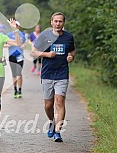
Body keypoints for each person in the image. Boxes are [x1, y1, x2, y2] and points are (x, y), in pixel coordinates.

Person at [32, 12, 76, 142]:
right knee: (48, 105)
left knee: (59, 102)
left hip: (62, 74)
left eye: (60, 21)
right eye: (55, 21)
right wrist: (46, 55)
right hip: (47, 74)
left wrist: (71, 56)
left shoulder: (68, 37)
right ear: (51, 22)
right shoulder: (44, 36)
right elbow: (34, 52)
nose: (58, 23)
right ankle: (51, 121)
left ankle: (58, 131)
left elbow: (72, 50)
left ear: (63, 23)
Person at [6, 21, 27, 98]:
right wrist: (10, 44)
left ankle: (20, 90)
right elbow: (4, 44)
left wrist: (23, 45)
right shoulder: (9, 35)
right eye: (15, 25)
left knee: (19, 73)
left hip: (20, 56)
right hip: (12, 55)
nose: (16, 27)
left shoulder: (22, 34)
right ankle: (15, 90)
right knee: (14, 74)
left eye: (17, 25)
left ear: (19, 26)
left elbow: (25, 42)